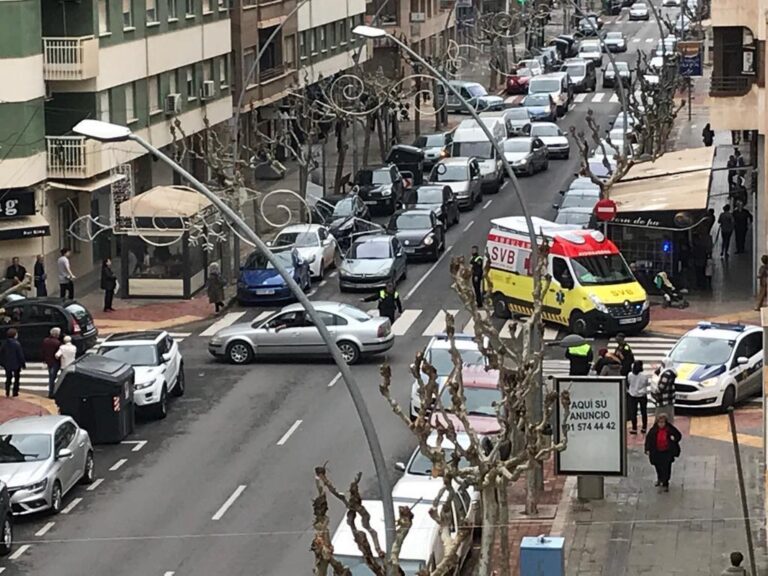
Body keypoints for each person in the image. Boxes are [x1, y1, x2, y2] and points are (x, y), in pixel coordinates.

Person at [644, 413, 681, 492]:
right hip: (657, 452)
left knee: (666, 468)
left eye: (663, 422)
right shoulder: (653, 430)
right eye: (659, 422)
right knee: (658, 466)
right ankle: (660, 478)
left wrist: (673, 439)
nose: (661, 424)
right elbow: (648, 440)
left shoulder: (670, 429)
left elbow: (678, 436)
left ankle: (665, 482)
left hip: (666, 452)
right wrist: (647, 449)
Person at [0, 328, 25, 397]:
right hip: (16, 364)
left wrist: (2, 363)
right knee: (16, 378)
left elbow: (1, 353)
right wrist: (23, 364)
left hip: (7, 363)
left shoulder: (4, 343)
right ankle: (15, 392)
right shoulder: (17, 344)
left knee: (8, 378)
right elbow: (20, 355)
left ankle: (7, 391)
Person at [627, 360, 649, 434]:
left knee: (634, 412)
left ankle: (634, 428)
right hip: (642, 395)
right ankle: (644, 427)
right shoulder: (644, 375)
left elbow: (629, 382)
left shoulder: (630, 374)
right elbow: (646, 383)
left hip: (633, 394)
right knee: (644, 411)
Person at [42, 327, 61, 399]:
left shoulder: (45, 341)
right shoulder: (57, 343)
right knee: (53, 377)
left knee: (51, 377)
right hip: (55, 362)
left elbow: (43, 351)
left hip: (48, 361)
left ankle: (51, 392)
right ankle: (52, 392)